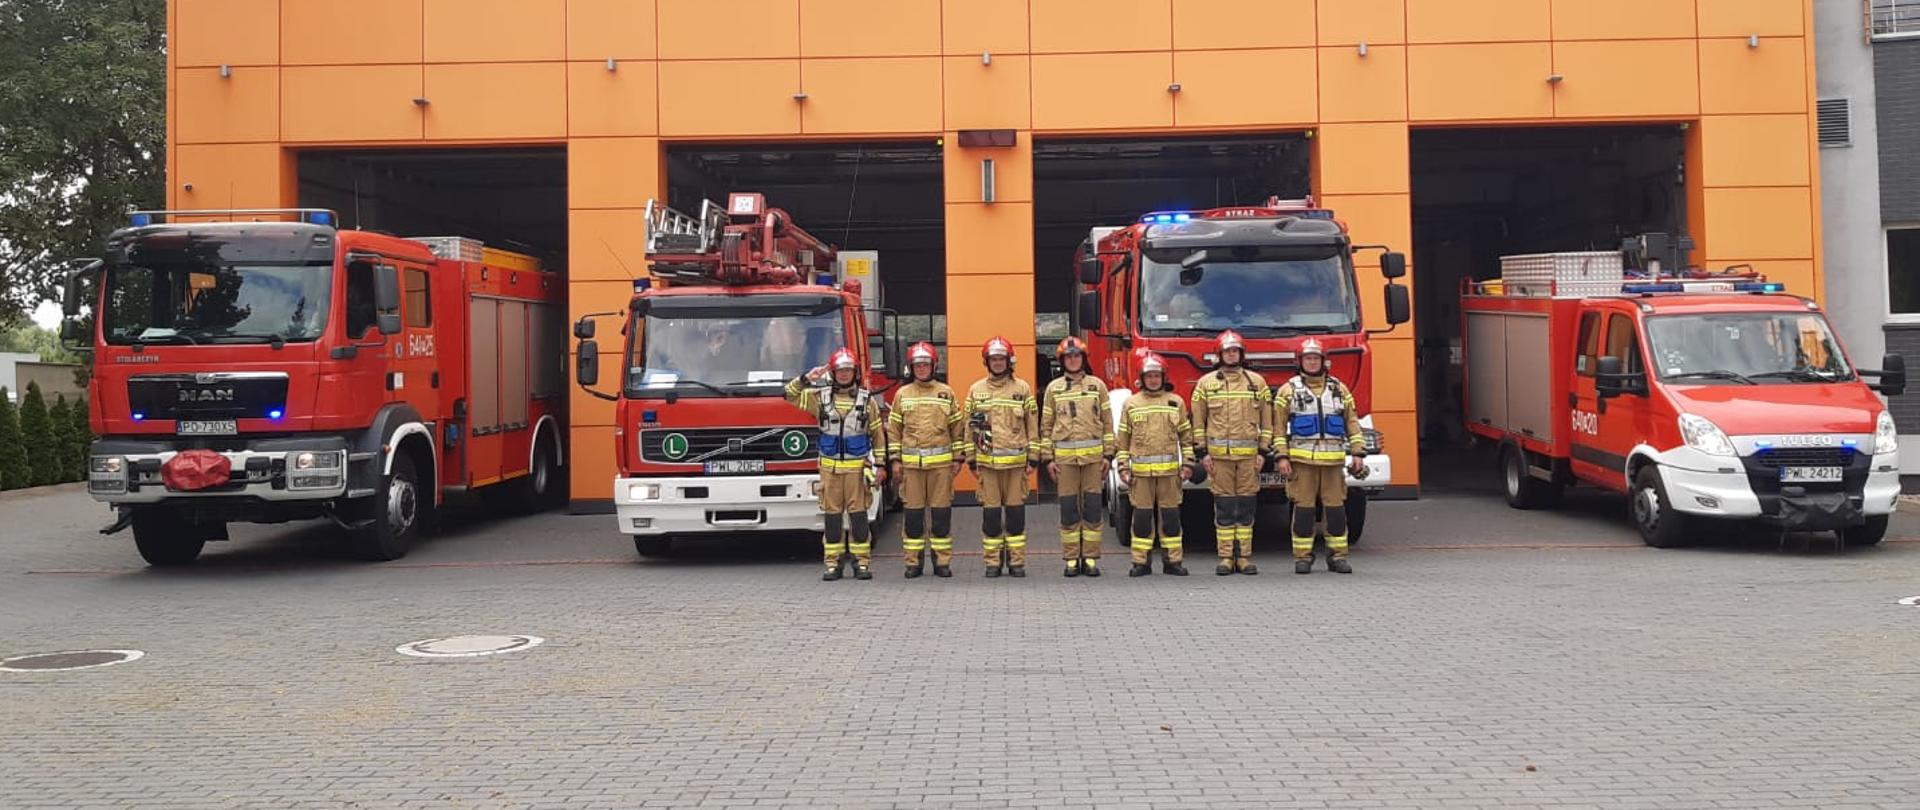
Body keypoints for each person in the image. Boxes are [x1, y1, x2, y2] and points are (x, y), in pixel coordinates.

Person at [785, 348, 887, 581]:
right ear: (832, 373)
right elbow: (789, 394)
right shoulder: (819, 398)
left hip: (857, 471)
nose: (844, 374)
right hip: (829, 472)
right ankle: (833, 564)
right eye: (839, 370)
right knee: (832, 519)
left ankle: (861, 563)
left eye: (848, 370)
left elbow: (877, 435)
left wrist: (881, 466)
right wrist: (806, 378)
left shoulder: (867, 401)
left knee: (859, 519)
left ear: (855, 372)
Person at [1274, 338, 1367, 574]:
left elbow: (1352, 423)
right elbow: (1278, 428)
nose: (1312, 362)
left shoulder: (1339, 389)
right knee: (1303, 511)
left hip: (1333, 463)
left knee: (1336, 511)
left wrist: (1358, 453)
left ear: (1324, 361)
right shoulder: (1288, 391)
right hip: (1302, 463)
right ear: (1300, 361)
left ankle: (1338, 557)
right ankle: (1302, 558)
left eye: (1316, 358)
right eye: (1308, 358)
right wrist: (1282, 457)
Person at [1191, 330, 1272, 575]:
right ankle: (1226, 557)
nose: (1231, 355)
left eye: (1235, 351)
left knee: (1246, 508)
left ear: (1241, 354)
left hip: (1249, 458)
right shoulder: (1205, 384)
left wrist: (1263, 452)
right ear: (1219, 354)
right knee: (1225, 508)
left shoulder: (1257, 383)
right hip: (1219, 459)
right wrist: (1202, 453)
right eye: (1227, 351)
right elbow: (1198, 423)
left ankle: (1244, 557)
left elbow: (1267, 422)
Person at [888, 342, 968, 578]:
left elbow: (957, 429)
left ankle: (941, 562)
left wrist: (958, 458)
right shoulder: (902, 394)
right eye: (917, 365)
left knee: (941, 516)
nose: (921, 369)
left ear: (934, 366)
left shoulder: (946, 393)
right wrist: (895, 460)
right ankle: (913, 563)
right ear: (911, 368)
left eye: (925, 364)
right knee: (913, 518)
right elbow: (894, 431)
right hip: (911, 469)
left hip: (941, 468)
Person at [1040, 336, 1115, 577]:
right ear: (1062, 360)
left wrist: (1108, 456)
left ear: (1084, 358)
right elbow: (1046, 427)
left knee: (1092, 510)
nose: (1073, 360)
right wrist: (1048, 459)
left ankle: (1090, 558)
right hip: (1065, 463)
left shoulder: (1097, 386)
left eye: (1077, 356)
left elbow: (1107, 424)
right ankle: (1071, 559)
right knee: (1069, 511)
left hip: (1093, 462)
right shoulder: (1053, 389)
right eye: (1069, 357)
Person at [1115, 351, 1194, 577]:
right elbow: (1123, 440)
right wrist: (1123, 467)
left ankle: (1173, 561)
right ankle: (1141, 562)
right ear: (1142, 378)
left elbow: (1186, 438)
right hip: (1140, 476)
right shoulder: (1131, 404)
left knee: (1171, 519)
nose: (1153, 380)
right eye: (1149, 376)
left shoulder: (1175, 402)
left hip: (1169, 475)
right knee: (1141, 520)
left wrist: (1188, 464)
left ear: (1163, 377)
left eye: (1156, 376)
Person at [966, 336, 1040, 578]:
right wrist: (971, 459)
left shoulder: (1022, 389)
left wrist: (1034, 457)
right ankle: (992, 563)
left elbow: (1032, 425)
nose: (998, 363)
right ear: (986, 362)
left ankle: (1016, 562)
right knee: (991, 517)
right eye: (993, 359)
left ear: (1009, 361)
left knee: (1016, 516)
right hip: (987, 466)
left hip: (1016, 466)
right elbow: (969, 428)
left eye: (1001, 359)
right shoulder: (976, 390)